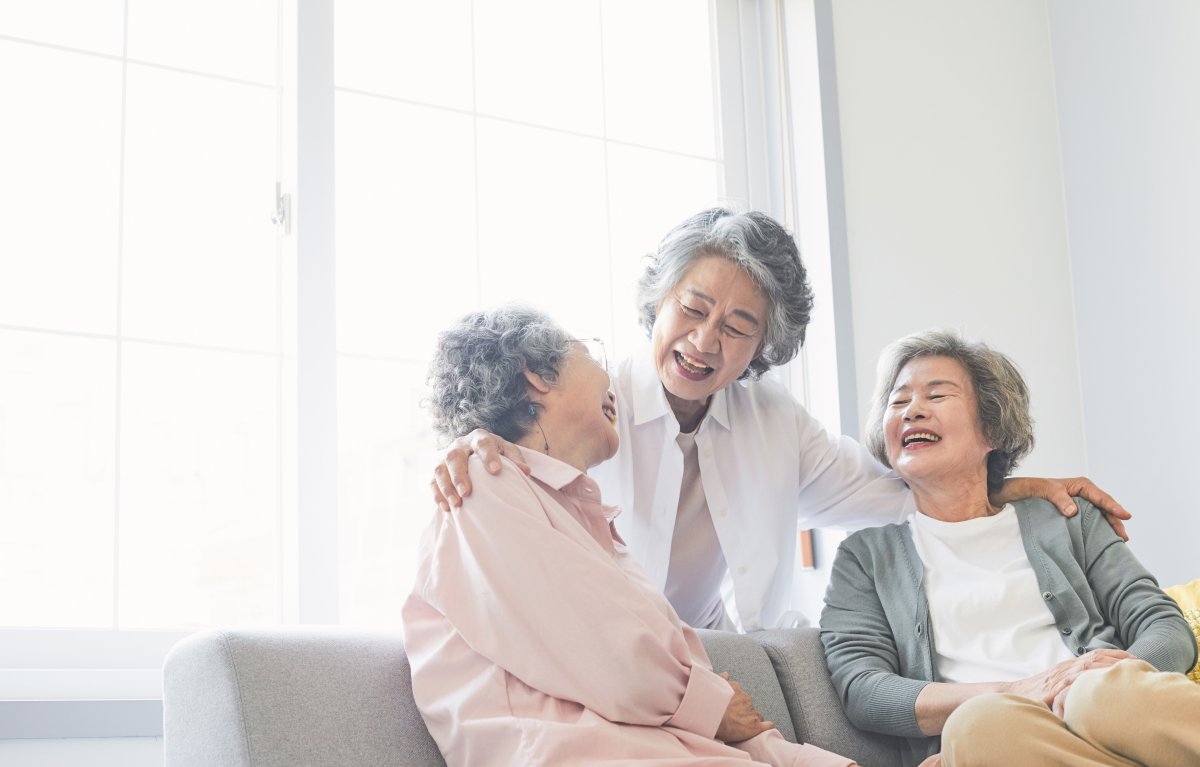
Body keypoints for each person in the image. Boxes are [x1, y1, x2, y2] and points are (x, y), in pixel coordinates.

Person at [430, 207, 1129, 632]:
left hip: (721, 654)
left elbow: (896, 495)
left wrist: (1015, 489)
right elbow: (507, 458)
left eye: (738, 327)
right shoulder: (592, 405)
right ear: (659, 298)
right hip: (611, 651)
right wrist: (471, 442)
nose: (706, 343)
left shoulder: (772, 419)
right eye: (693, 309)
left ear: (764, 348)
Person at [403, 305, 941, 767]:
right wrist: (710, 706)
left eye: (738, 326)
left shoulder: (595, 533)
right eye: (590, 354)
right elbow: (624, 666)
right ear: (537, 377)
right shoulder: (482, 485)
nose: (609, 378)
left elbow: (730, 719)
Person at [819, 329, 1200, 767]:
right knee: (976, 730)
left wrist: (1109, 670)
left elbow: (1165, 626)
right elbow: (865, 690)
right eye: (898, 403)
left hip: (1104, 705)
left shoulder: (1067, 518)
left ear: (993, 429)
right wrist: (1023, 690)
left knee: (1100, 695)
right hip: (1009, 731)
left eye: (937, 394)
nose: (912, 410)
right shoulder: (864, 558)